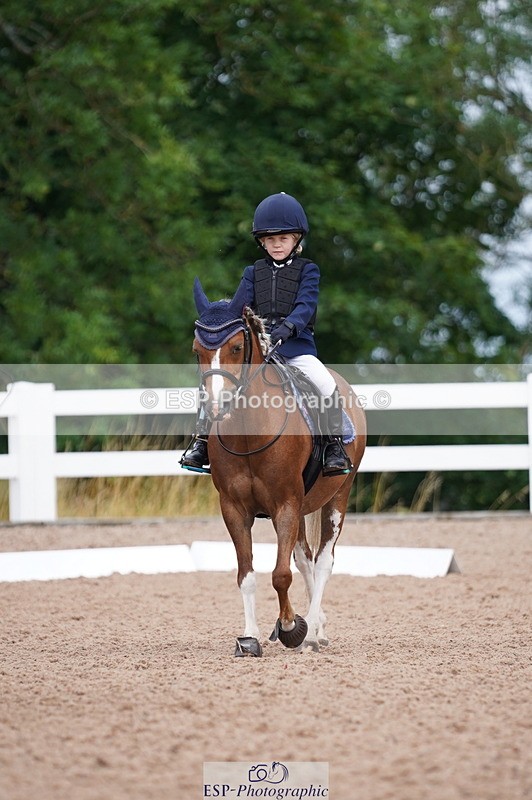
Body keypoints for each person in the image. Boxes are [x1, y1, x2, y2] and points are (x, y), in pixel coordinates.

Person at [181, 192, 352, 476]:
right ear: (261, 241)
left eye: (283, 238)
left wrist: (288, 328)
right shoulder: (253, 272)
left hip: (296, 348)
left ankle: (334, 446)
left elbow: (305, 306)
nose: (276, 244)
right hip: (260, 349)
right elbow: (240, 306)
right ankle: (201, 441)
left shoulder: (308, 270)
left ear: (297, 239)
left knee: (324, 383)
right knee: (214, 384)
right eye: (270, 239)